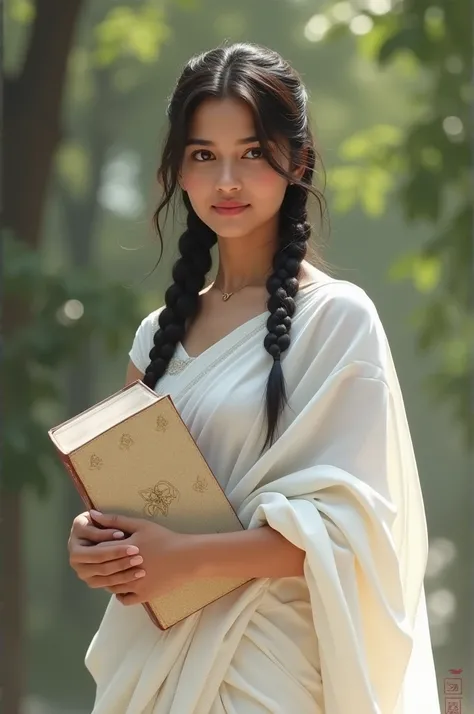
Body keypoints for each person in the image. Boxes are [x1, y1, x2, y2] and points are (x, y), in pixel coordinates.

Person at [67, 42, 440, 714]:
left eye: (252, 152)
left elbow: (357, 535)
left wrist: (189, 557)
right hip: (158, 668)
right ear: (177, 170)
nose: (228, 181)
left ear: (296, 161)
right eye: (204, 155)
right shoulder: (157, 337)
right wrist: (93, 542)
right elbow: (127, 503)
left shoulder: (337, 320)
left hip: (273, 672)